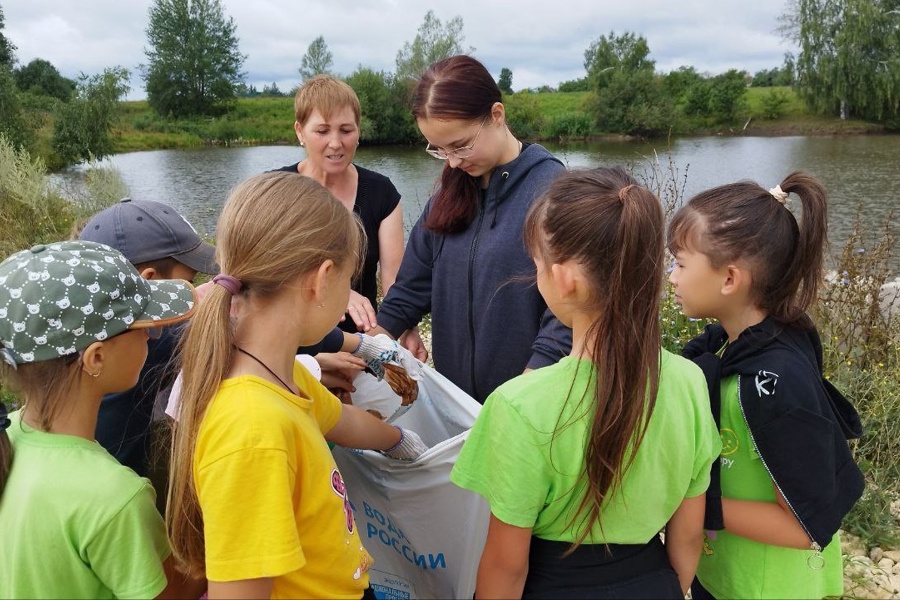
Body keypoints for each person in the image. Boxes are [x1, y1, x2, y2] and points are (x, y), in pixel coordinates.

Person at [450, 167, 721, 598]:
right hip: (654, 582)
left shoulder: (520, 404)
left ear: (563, 278)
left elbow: (506, 566)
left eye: (537, 263)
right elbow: (687, 536)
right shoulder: (690, 382)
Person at [166, 171, 428, 600]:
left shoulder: (284, 372)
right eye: (349, 280)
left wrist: (396, 439)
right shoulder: (252, 433)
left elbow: (340, 419)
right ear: (322, 279)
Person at [667, 172, 865, 599]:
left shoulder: (775, 382)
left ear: (730, 280)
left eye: (681, 264)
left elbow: (802, 524)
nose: (672, 278)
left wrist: (697, 504)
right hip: (724, 572)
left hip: (767, 585)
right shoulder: (730, 345)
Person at [0, 240, 203, 599]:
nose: (150, 336)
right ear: (95, 358)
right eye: (144, 328)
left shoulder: (9, 436)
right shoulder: (116, 498)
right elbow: (180, 593)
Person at [372, 55, 571, 403]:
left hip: (531, 403)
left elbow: (572, 309)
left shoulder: (554, 193)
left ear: (497, 115)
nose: (453, 162)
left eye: (461, 145)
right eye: (439, 149)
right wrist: (369, 347)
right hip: (459, 404)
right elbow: (410, 288)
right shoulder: (448, 194)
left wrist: (525, 389)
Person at [78, 197, 217, 512]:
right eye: (189, 283)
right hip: (117, 503)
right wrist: (349, 346)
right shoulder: (148, 340)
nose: (195, 291)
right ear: (150, 282)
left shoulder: (81, 329)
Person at [276, 74, 404, 334]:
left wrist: (400, 330)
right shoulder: (274, 190)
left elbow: (394, 286)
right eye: (322, 131)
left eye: (346, 130)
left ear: (358, 131)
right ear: (300, 131)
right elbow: (258, 281)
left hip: (361, 345)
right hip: (289, 346)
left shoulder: (382, 193)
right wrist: (338, 293)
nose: (336, 143)